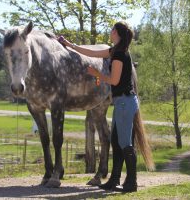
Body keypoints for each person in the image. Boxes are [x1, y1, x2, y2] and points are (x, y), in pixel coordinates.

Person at [59, 21, 139, 192]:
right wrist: (69, 45)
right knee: (117, 143)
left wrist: (97, 75)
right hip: (121, 102)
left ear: (117, 33)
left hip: (125, 102)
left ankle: (132, 183)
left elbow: (114, 81)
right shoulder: (114, 51)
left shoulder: (119, 55)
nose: (110, 32)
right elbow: (92, 53)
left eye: (112, 30)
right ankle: (114, 180)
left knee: (125, 143)